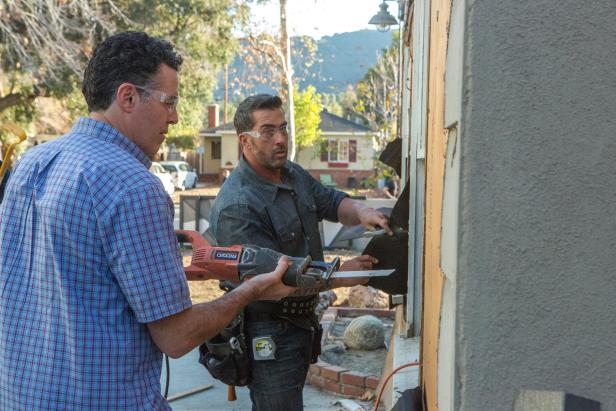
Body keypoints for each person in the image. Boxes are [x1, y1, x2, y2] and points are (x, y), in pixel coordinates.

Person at [0, 32, 294, 410]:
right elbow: (176, 336)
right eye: (169, 102)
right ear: (128, 97)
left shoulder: (32, 163)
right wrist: (251, 291)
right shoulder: (134, 187)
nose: (174, 117)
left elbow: (57, 276)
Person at [208, 94, 393, 411]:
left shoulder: (291, 174)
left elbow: (332, 202)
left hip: (300, 321)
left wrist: (363, 211)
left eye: (283, 128)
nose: (280, 139)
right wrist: (336, 277)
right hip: (268, 329)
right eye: (268, 131)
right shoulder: (237, 204)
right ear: (244, 140)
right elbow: (266, 281)